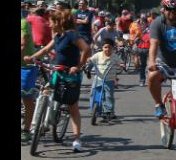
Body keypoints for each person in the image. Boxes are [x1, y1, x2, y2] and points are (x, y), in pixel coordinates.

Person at [23, 10, 91, 152]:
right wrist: (32, 57)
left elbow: (86, 49)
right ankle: (44, 120)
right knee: (46, 90)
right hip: (57, 72)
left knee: (73, 107)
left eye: (52, 22)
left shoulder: (72, 35)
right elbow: (46, 50)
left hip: (71, 74)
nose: (49, 24)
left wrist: (78, 67)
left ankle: (77, 139)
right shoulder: (58, 37)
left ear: (59, 23)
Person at [85, 38, 122, 121]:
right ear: (102, 47)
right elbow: (91, 60)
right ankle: (95, 109)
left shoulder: (114, 56)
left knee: (108, 96)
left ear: (113, 48)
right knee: (94, 94)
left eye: (109, 47)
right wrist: (88, 64)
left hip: (109, 79)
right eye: (105, 47)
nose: (107, 49)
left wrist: (122, 65)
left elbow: (120, 62)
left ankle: (108, 111)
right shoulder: (98, 55)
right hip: (98, 78)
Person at [21, 17, 38, 143]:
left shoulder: (23, 23)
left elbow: (23, 44)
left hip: (26, 67)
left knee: (27, 99)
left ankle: (26, 130)